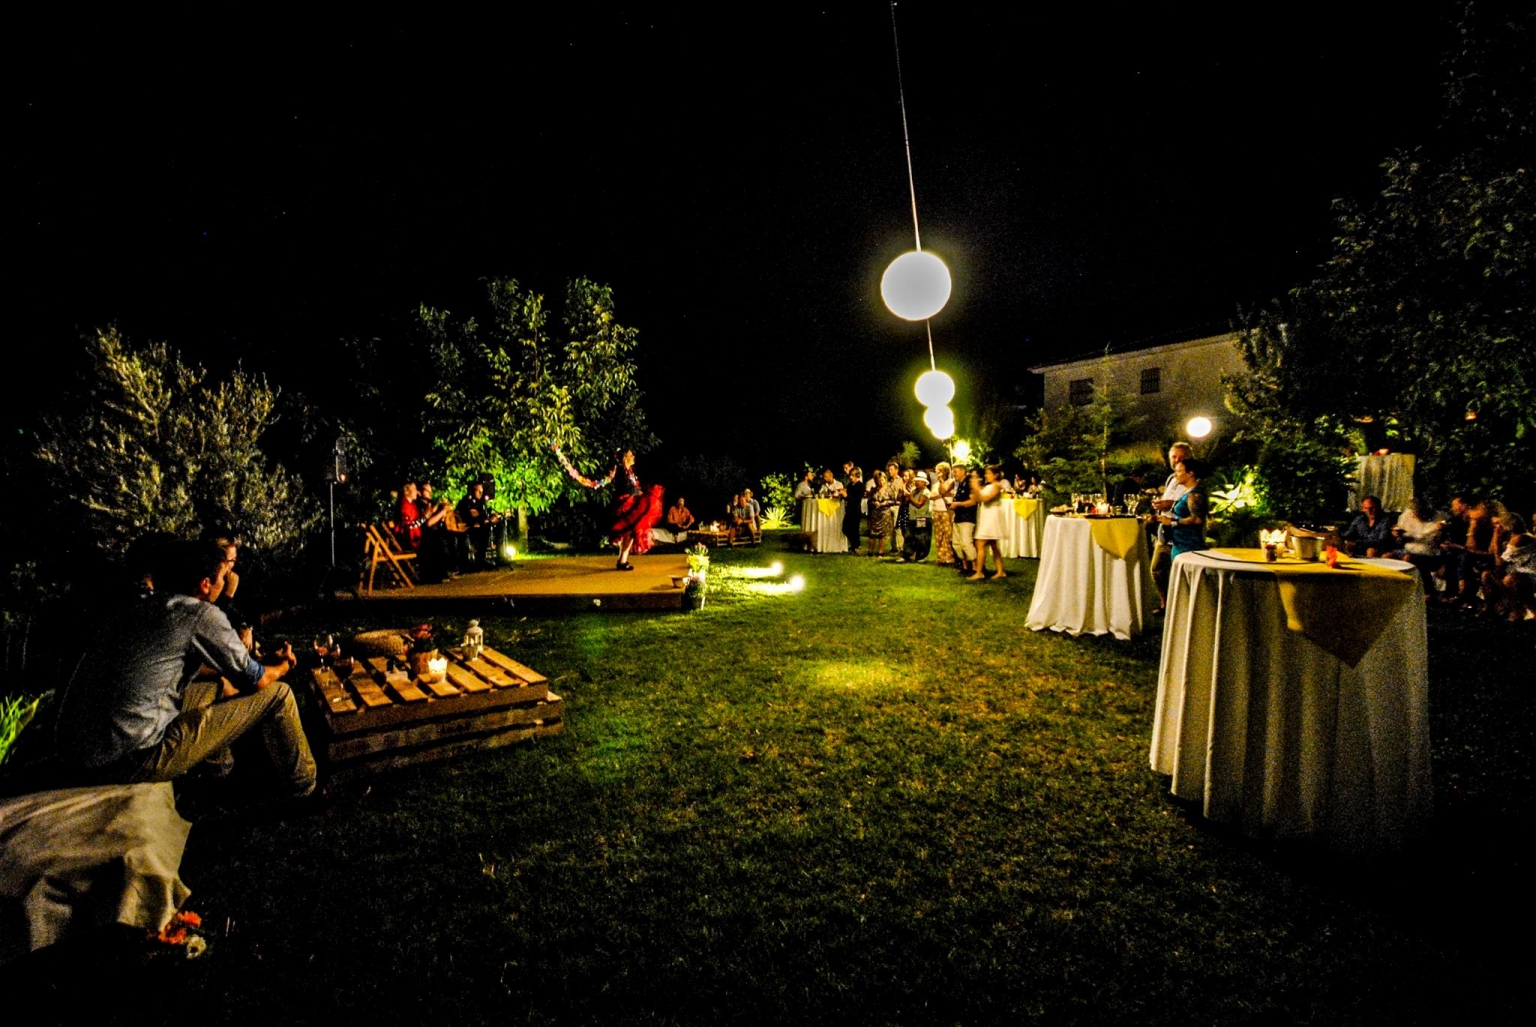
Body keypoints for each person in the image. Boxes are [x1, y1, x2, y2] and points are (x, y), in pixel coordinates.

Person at [53, 539, 316, 801]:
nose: (229, 580)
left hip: (81, 752)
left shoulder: (150, 605)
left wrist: (259, 662)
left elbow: (179, 668)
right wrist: (282, 665)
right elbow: (256, 679)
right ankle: (304, 789)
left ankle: (218, 772)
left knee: (220, 687)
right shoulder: (198, 615)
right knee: (279, 694)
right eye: (224, 575)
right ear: (205, 583)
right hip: (130, 758)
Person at [553, 445, 664, 570]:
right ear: (624, 458)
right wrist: (588, 482)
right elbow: (607, 480)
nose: (633, 456)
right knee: (630, 531)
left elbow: (634, 487)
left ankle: (622, 560)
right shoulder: (618, 470)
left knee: (631, 532)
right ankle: (622, 560)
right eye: (630, 454)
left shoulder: (631, 472)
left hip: (633, 503)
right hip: (625, 504)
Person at [1149, 441, 1193, 613]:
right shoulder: (1170, 479)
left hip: (1184, 532)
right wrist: (1158, 513)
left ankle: (1185, 607)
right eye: (1174, 456)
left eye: (1181, 457)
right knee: (1157, 569)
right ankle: (1165, 604)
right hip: (1165, 531)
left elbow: (1194, 503)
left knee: (1183, 572)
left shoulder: (1194, 478)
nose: (1177, 460)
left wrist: (1171, 504)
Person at [1386, 496, 1447, 596]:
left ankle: (1420, 590)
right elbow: (1400, 539)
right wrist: (1397, 535)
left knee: (1408, 558)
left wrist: (1439, 530)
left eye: (1418, 510)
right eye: (1413, 510)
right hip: (1408, 548)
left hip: (1429, 551)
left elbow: (1434, 538)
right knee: (1386, 557)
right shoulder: (1406, 516)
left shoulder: (1439, 518)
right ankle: (1391, 590)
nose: (1415, 514)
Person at [1159, 457, 1210, 562]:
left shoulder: (1195, 494)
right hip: (1179, 544)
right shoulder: (1187, 493)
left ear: (1190, 473)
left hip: (1189, 545)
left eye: (1178, 471)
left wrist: (1173, 522)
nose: (1175, 475)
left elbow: (1198, 519)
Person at [970, 465, 1007, 581]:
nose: (986, 476)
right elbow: (978, 498)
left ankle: (979, 572)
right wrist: (975, 489)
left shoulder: (997, 486)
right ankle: (1000, 571)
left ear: (996, 475)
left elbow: (986, 499)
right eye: (986, 473)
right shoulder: (988, 486)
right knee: (993, 545)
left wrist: (977, 488)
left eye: (989, 473)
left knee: (980, 543)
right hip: (986, 516)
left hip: (992, 517)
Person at [454, 482, 501, 570]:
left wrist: (491, 517)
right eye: (478, 490)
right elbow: (473, 517)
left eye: (481, 491)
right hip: (467, 528)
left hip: (478, 527)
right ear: (471, 491)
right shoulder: (466, 502)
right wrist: (486, 520)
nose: (481, 493)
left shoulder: (480, 503)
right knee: (483, 532)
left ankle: (495, 557)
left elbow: (482, 516)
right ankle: (479, 561)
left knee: (496, 527)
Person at [950, 463, 978, 573]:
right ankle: (965, 566)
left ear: (962, 471)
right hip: (958, 517)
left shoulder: (969, 483)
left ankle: (976, 567)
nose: (953, 474)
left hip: (967, 518)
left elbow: (973, 501)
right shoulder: (960, 484)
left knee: (966, 543)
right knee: (956, 544)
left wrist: (957, 504)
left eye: (955, 472)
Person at [901, 471, 933, 562]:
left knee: (922, 537)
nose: (917, 482)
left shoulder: (926, 492)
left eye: (919, 481)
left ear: (924, 483)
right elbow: (907, 502)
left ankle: (921, 556)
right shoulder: (913, 490)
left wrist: (910, 497)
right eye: (916, 480)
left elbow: (919, 504)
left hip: (922, 517)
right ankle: (907, 555)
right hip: (912, 517)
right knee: (909, 537)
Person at [867, 469, 897, 557]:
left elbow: (894, 500)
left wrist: (885, 503)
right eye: (879, 481)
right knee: (872, 533)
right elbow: (869, 501)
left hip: (884, 513)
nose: (881, 482)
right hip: (875, 513)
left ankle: (881, 552)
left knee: (882, 534)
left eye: (882, 480)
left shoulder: (889, 489)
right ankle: (870, 552)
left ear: (885, 479)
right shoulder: (873, 490)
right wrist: (873, 503)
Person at [931, 462, 955, 566]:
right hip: (937, 510)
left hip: (946, 510)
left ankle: (949, 557)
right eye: (937, 471)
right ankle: (941, 557)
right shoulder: (935, 484)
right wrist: (941, 494)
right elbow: (932, 496)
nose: (937, 473)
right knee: (939, 535)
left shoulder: (951, 482)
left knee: (948, 534)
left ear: (945, 471)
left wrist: (941, 492)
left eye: (939, 471)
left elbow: (946, 491)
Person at [842, 466, 864, 554]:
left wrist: (846, 496)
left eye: (853, 475)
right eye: (850, 475)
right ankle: (854, 545)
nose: (850, 477)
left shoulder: (860, 486)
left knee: (854, 529)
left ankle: (856, 546)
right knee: (845, 528)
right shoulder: (850, 485)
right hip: (849, 510)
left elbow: (856, 499)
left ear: (857, 476)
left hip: (855, 510)